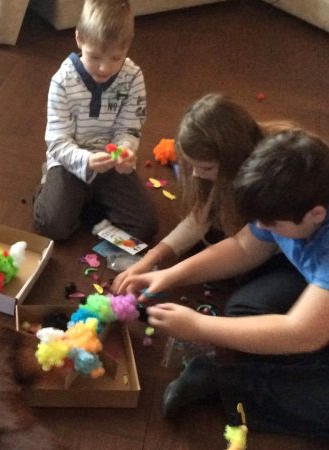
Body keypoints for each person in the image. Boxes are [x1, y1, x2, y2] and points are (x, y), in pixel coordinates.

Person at [118, 129, 329, 438]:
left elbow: (302, 333)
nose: (264, 229)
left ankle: (226, 384)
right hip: (314, 287)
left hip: (310, 320)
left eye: (272, 225)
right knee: (246, 312)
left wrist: (198, 326)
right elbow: (243, 248)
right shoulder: (287, 201)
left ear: (316, 214)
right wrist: (170, 274)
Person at [113, 93, 299, 293]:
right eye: (192, 165)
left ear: (234, 160)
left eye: (207, 168)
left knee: (244, 282)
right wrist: (152, 257)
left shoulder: (270, 182)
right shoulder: (234, 164)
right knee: (206, 240)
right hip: (255, 240)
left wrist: (170, 275)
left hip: (286, 254)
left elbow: (245, 248)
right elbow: (200, 218)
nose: (196, 174)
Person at [32, 0, 158, 242]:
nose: (104, 68)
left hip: (109, 164)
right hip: (70, 162)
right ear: (79, 39)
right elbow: (57, 142)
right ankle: (50, 185)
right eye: (95, 56)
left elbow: (129, 128)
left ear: (127, 46)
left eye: (116, 58)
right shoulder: (62, 81)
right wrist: (86, 160)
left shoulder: (133, 78)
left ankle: (87, 202)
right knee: (51, 225)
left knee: (146, 226)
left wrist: (125, 150)